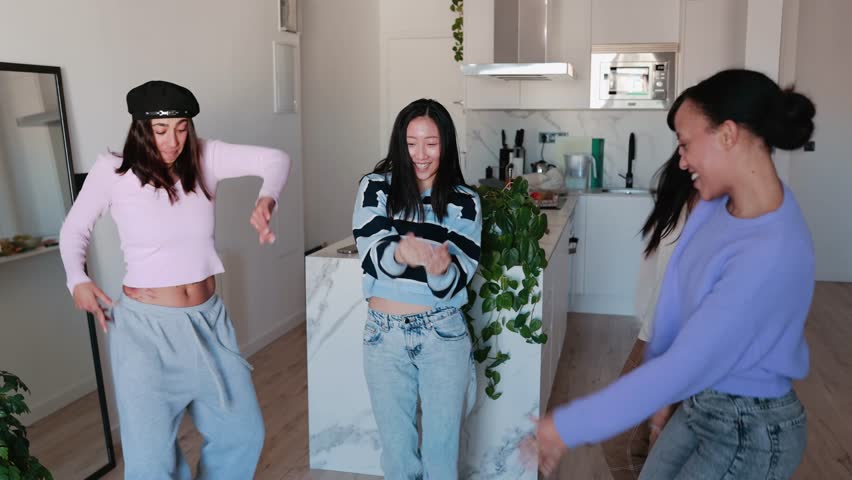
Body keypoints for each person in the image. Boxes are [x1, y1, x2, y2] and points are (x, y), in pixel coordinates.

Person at [533, 69, 816, 479]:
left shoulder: (769, 252)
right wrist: (664, 399)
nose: (681, 160)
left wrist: (564, 427)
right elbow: (678, 300)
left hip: (750, 429)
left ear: (728, 135)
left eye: (685, 144)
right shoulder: (716, 206)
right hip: (704, 401)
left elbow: (686, 364)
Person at [59, 80, 291, 479]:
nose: (173, 140)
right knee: (151, 462)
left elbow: (276, 159)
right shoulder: (112, 171)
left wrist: (267, 198)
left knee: (243, 434)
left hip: (208, 322)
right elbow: (75, 229)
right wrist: (76, 278)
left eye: (182, 128)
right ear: (140, 128)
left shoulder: (206, 158)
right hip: (145, 333)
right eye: (161, 130)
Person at [352, 98, 482, 479]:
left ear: (447, 144)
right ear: (399, 143)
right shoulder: (375, 188)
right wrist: (401, 254)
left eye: (431, 143)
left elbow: (459, 275)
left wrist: (441, 270)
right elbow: (372, 253)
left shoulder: (464, 201)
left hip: (442, 333)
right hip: (383, 336)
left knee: (441, 457)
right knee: (397, 458)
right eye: (411, 143)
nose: (420, 155)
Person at [601, 150, 698, 479]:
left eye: (688, 140)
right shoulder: (682, 198)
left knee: (634, 444)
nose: (682, 157)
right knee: (623, 439)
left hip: (689, 351)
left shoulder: (730, 210)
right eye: (680, 144)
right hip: (655, 338)